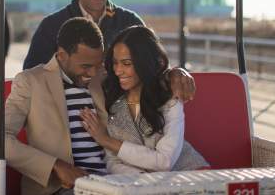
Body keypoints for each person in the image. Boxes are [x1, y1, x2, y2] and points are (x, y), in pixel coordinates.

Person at [0, 17, 196, 195]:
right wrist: (56, 167)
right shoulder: (31, 82)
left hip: (112, 183)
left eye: (98, 65)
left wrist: (175, 73)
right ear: (61, 55)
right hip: (60, 188)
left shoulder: (104, 78)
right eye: (85, 66)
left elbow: (143, 67)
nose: (93, 73)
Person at [80, 26, 208, 173]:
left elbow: (164, 161)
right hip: (146, 186)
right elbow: (112, 162)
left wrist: (106, 140)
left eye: (126, 63)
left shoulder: (170, 98)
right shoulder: (111, 99)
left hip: (191, 176)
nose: (118, 70)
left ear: (146, 63)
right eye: (115, 62)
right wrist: (141, 181)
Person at [23, 0, 144, 70]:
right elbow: (32, 73)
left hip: (118, 95)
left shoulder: (130, 22)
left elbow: (151, 63)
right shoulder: (51, 25)